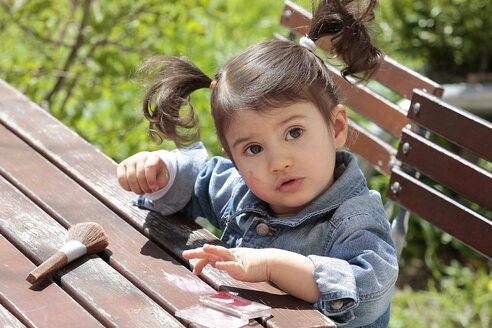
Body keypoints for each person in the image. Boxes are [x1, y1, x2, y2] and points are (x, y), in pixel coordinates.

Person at [117, 0, 398, 326]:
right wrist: (161, 171)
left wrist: (273, 265)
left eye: (294, 132)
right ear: (232, 158)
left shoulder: (354, 220)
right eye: (253, 149)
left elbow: (369, 292)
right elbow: (198, 181)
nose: (278, 162)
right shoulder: (243, 191)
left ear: (335, 128)